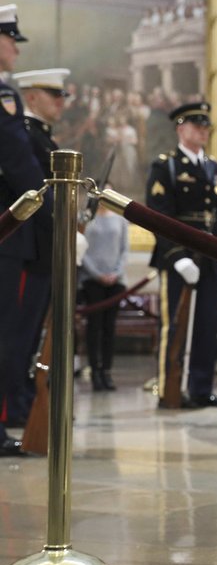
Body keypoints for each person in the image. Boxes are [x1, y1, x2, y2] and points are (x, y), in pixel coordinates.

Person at [145, 101, 217, 410]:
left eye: (206, 127)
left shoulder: (213, 168)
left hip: (207, 257)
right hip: (178, 256)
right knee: (175, 325)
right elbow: (158, 215)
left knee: (207, 326)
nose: (203, 132)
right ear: (181, 129)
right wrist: (178, 255)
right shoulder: (166, 165)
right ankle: (170, 388)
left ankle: (200, 388)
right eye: (197, 126)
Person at [6, 67, 68, 421]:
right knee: (19, 333)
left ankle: (24, 399)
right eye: (53, 94)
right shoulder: (27, 135)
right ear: (30, 96)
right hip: (30, 248)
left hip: (44, 249)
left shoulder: (43, 137)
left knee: (31, 334)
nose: (60, 102)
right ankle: (14, 405)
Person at [0, 3, 41, 455]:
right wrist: (51, 204)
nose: (14, 47)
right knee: (5, 330)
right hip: (7, 229)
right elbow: (18, 163)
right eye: (11, 38)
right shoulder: (2, 95)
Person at [80, 189, 129, 392]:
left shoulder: (120, 220)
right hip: (92, 280)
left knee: (109, 328)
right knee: (95, 327)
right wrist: (97, 274)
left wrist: (116, 273)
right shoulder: (86, 219)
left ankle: (107, 371)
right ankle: (95, 371)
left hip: (115, 280)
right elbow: (80, 248)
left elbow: (124, 249)